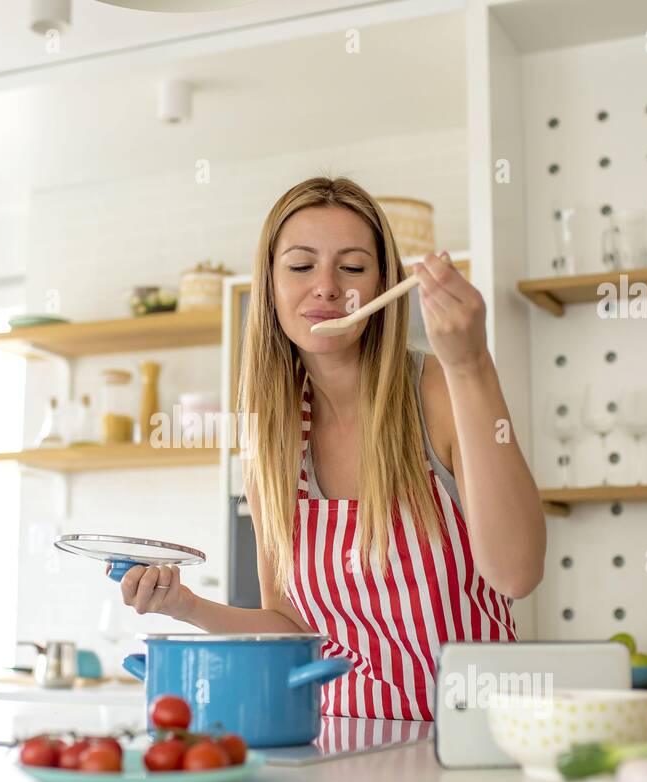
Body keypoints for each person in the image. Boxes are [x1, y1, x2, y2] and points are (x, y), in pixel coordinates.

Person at [114, 176, 544, 720]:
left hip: (473, 740)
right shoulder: (272, 438)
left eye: (353, 267)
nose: (326, 287)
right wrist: (184, 605)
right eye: (300, 266)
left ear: (385, 284)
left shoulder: (440, 387)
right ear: (270, 286)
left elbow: (517, 573)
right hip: (343, 742)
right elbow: (291, 630)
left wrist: (470, 365)